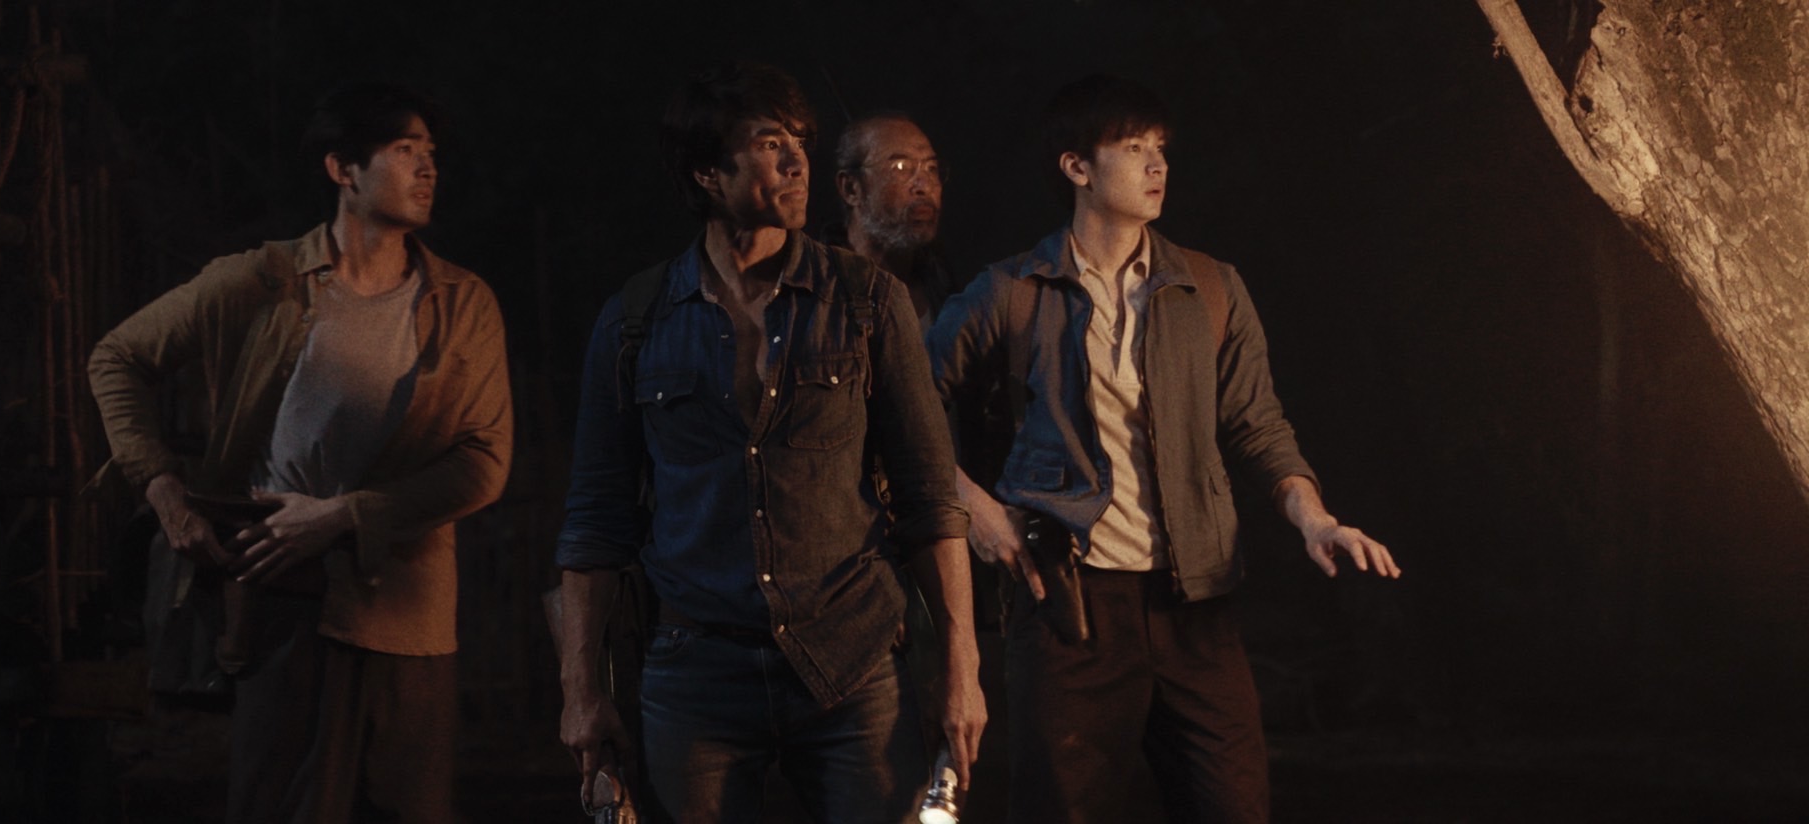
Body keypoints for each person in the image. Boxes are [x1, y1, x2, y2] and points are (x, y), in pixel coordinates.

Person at [925, 73, 1400, 824]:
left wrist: (1315, 519)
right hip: (1068, 609)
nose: (1157, 165)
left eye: (1161, 148)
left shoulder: (1208, 287)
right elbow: (901, 411)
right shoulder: (1013, 290)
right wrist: (975, 507)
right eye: (1132, 147)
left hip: (1195, 607)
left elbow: (1258, 424)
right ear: (1077, 167)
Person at [554, 62, 984, 824]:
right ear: (707, 172)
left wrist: (962, 667)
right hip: (697, 671)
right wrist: (581, 691)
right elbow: (595, 521)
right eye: (768, 142)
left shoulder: (865, 301)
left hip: (852, 657)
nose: (796, 162)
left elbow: (929, 499)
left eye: (800, 142)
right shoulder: (637, 321)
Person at [88, 83, 512, 823]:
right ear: (343, 170)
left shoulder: (462, 302)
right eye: (403, 150)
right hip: (283, 601)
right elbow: (116, 357)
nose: (427, 168)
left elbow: (483, 462)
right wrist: (162, 489)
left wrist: (345, 515)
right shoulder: (263, 281)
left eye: (430, 153)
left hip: (407, 613)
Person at [825, 113, 958, 323]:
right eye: (900, 167)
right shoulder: (820, 292)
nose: (924, 186)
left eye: (931, 168)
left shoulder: (945, 282)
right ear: (851, 188)